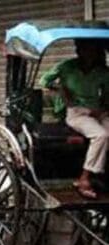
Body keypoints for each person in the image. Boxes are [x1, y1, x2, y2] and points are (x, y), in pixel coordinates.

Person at [41, 39, 109, 199]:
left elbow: (107, 94)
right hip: (76, 112)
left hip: (97, 112)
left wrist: (102, 108)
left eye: (94, 50)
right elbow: (44, 81)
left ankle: (103, 173)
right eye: (86, 49)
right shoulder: (67, 67)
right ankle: (84, 179)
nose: (90, 53)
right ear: (79, 51)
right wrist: (61, 89)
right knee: (101, 135)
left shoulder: (102, 72)